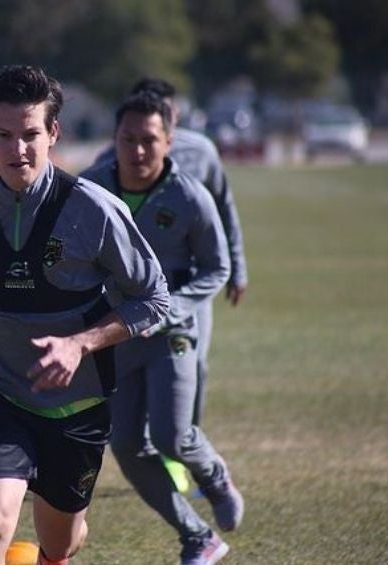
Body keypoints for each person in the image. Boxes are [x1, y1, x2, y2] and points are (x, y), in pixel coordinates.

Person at [0, 65, 170, 565]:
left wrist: (79, 344)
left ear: (53, 133)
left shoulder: (95, 211)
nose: (18, 149)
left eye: (30, 135)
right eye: (4, 136)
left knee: (61, 542)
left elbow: (153, 298)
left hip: (78, 406)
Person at [80, 92, 243, 565]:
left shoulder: (190, 195)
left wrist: (172, 308)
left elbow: (217, 268)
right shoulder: (91, 189)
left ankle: (212, 475)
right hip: (117, 336)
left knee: (173, 436)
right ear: (114, 140)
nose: (137, 151)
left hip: (171, 335)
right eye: (127, 140)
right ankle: (197, 537)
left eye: (149, 140)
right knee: (127, 446)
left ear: (169, 141)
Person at [94, 77, 248, 425]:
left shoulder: (201, 153)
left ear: (173, 118)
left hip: (185, 282)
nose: (139, 149)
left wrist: (237, 266)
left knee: (193, 364)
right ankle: (146, 445)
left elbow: (223, 210)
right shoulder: (108, 163)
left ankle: (181, 441)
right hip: (128, 293)